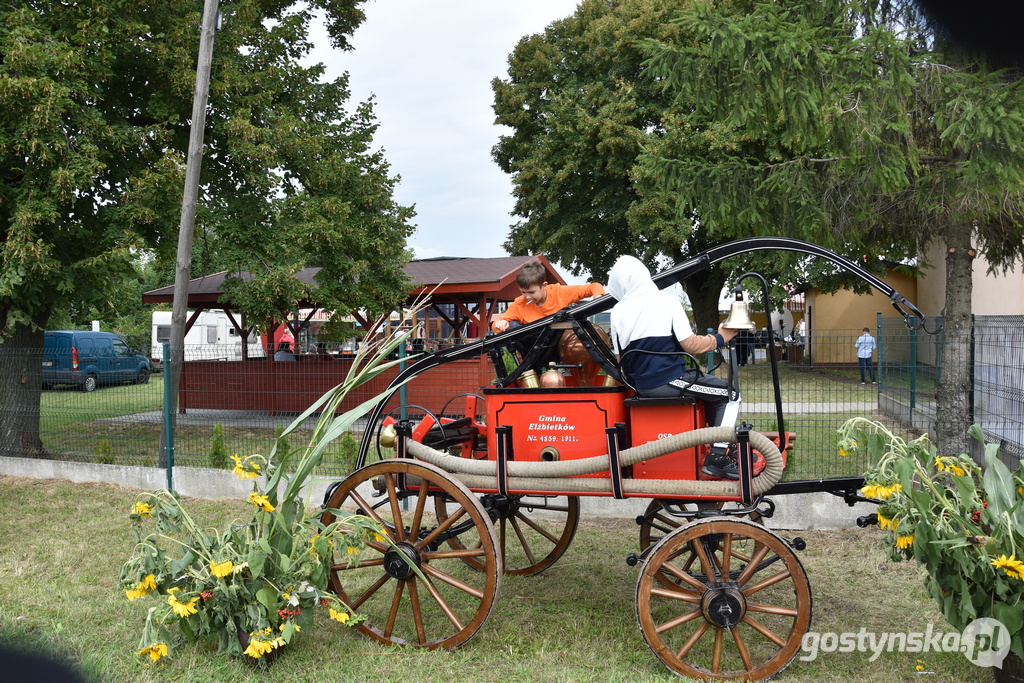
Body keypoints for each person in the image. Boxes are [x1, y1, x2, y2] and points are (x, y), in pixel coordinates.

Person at [607, 255, 742, 479]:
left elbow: (621, 359)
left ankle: (721, 445)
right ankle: (717, 457)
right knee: (730, 394)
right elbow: (690, 345)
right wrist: (721, 337)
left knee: (712, 391)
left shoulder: (618, 311)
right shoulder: (667, 301)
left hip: (641, 385)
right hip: (667, 380)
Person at [491, 257, 605, 332]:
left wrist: (598, 298)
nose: (527, 297)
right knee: (513, 325)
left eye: (531, 292)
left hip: (562, 340)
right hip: (535, 348)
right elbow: (495, 325)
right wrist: (501, 323)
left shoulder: (559, 292)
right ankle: (531, 368)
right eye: (523, 292)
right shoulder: (520, 304)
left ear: (544, 286)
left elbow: (593, 286)